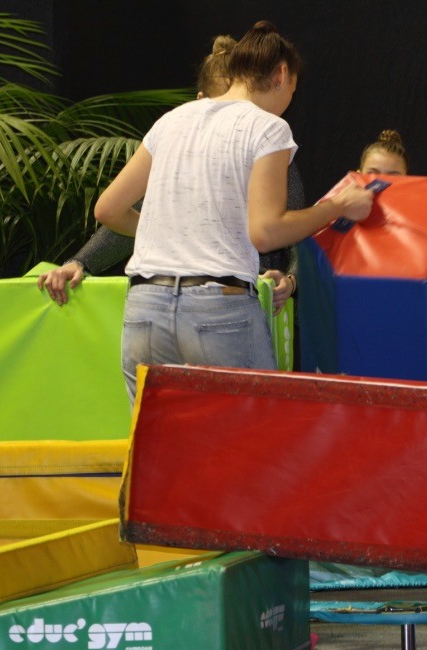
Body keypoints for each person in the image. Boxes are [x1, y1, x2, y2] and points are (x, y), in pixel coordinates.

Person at [59, 21, 374, 406]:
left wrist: (169, 231)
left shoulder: (172, 120)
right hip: (219, 311)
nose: (289, 100)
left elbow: (107, 209)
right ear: (280, 75)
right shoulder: (269, 128)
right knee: (252, 437)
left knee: (158, 441)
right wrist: (336, 206)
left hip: (144, 309)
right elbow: (266, 231)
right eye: (293, 89)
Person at [39, 34, 304, 314]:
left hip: (236, 297)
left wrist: (291, 280)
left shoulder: (269, 150)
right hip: (196, 302)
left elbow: (298, 239)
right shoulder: (180, 144)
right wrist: (81, 262)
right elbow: (130, 212)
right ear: (200, 102)